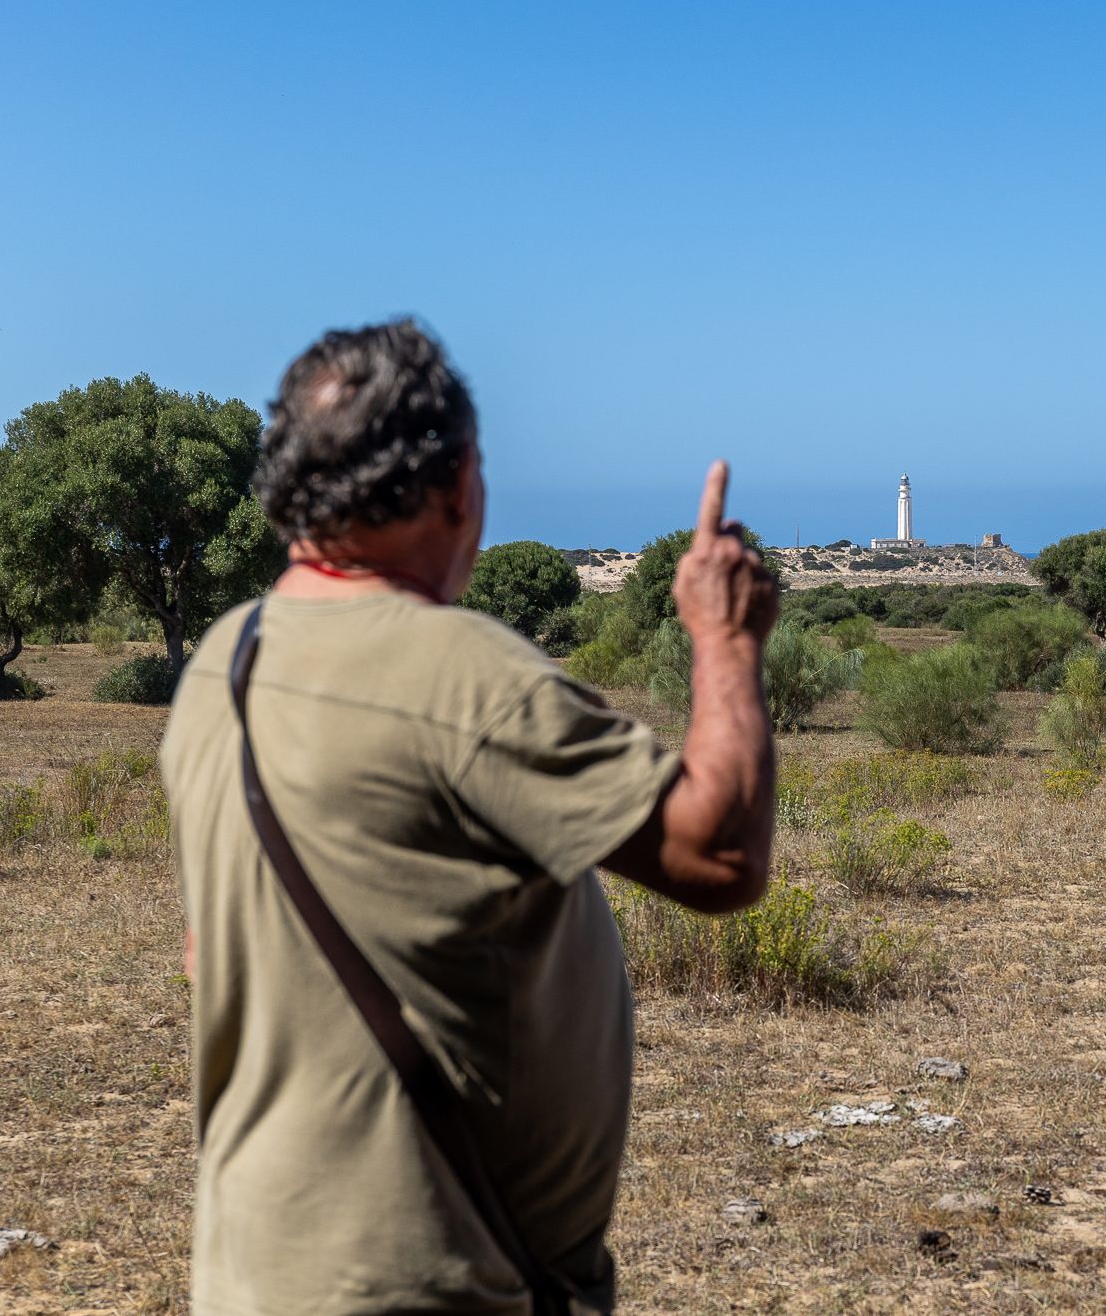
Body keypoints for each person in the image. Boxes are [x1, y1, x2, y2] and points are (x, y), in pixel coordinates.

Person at [160, 320, 778, 1315]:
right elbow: (717, 853)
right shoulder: (459, 674)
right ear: (457, 483)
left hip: (254, 1269)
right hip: (428, 1280)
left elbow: (210, 951)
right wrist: (725, 634)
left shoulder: (221, 664)